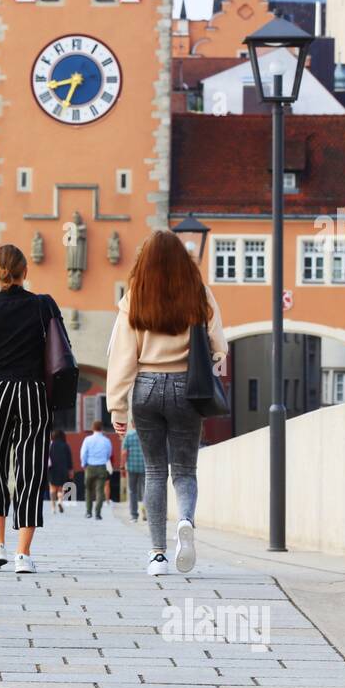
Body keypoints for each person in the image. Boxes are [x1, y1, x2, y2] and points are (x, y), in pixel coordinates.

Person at [106, 229, 228, 576]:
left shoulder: (135, 297)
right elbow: (219, 346)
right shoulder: (199, 295)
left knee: (155, 472)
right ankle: (185, 522)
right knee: (185, 470)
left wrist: (118, 407)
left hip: (145, 387)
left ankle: (157, 555)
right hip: (187, 389)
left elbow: (122, 357)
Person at [0, 243, 62, 575]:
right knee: (30, 470)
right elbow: (60, 351)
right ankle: (24, 553)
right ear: (25, 272)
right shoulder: (43, 306)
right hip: (33, 392)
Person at [80, 419, 112, 520]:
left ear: (93, 428)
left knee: (89, 490)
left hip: (90, 467)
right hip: (102, 467)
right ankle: (98, 513)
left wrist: (84, 464)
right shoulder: (106, 440)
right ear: (101, 428)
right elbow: (109, 454)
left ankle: (88, 512)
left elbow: (83, 453)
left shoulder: (87, 439)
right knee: (100, 491)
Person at [122, 424, 147, 523]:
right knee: (146, 490)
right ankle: (146, 510)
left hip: (132, 467)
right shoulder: (146, 434)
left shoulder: (129, 435)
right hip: (145, 467)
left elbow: (124, 453)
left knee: (133, 491)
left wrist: (122, 466)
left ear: (132, 424)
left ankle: (134, 515)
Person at [48, 430, 74, 514]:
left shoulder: (50, 444)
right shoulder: (65, 445)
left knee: (52, 488)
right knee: (61, 487)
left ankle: (53, 507)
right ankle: (59, 501)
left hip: (52, 469)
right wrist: (70, 470)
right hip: (63, 469)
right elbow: (69, 458)